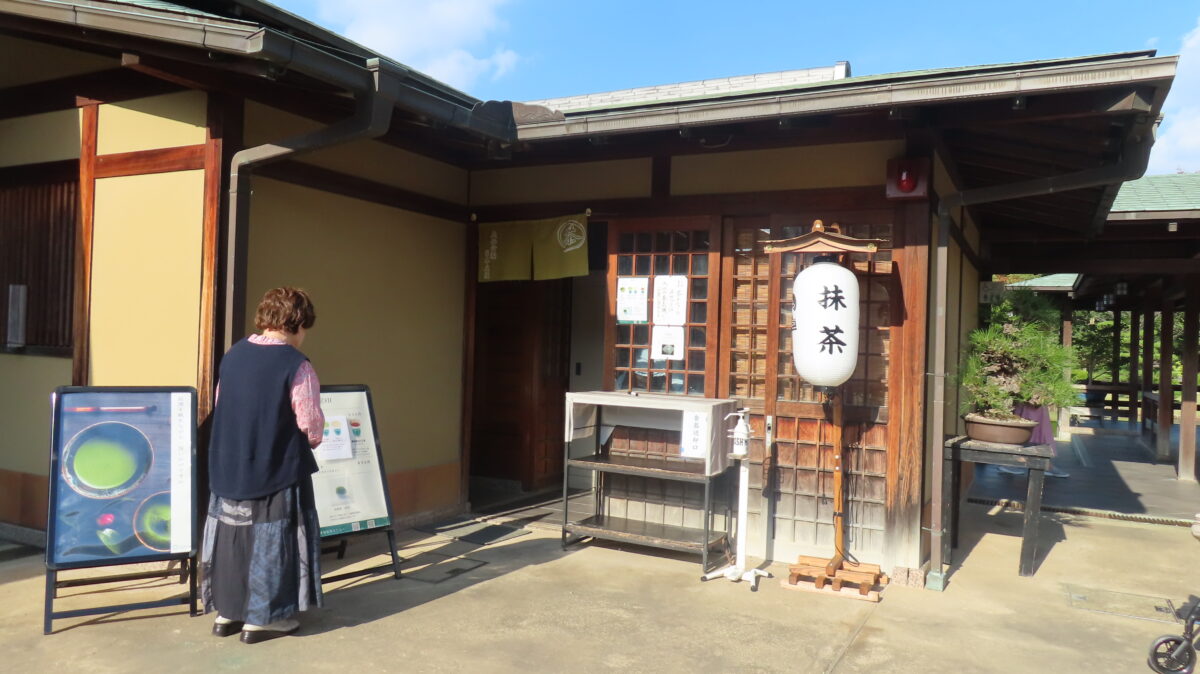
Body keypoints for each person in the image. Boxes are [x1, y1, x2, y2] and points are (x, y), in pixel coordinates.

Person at [200, 287, 325, 644]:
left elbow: (223, 404)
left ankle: (228, 613)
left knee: (231, 537)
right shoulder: (296, 364)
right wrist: (315, 440)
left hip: (228, 464)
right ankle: (265, 619)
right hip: (276, 466)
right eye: (305, 328)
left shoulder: (234, 355)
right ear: (296, 323)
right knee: (272, 538)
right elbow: (309, 423)